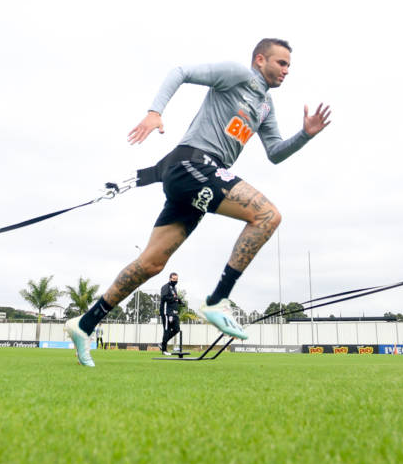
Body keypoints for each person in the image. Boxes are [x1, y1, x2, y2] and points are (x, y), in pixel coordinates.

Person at [65, 38, 331, 366]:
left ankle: (84, 324)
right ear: (260, 60)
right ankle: (218, 300)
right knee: (267, 215)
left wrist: (305, 135)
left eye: (289, 65)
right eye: (281, 63)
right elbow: (180, 72)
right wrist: (154, 113)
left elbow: (275, 152)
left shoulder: (266, 106)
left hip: (199, 177)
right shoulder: (237, 74)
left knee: (152, 264)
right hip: (193, 164)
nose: (286, 70)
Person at [159, 272, 182, 355]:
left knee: (177, 329)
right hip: (166, 313)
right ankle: (164, 350)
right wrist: (174, 298)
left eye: (176, 279)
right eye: (174, 279)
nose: (175, 280)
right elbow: (164, 297)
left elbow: (174, 298)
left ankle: (162, 343)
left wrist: (179, 301)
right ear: (170, 279)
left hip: (174, 312)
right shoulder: (165, 287)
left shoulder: (174, 288)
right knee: (167, 330)